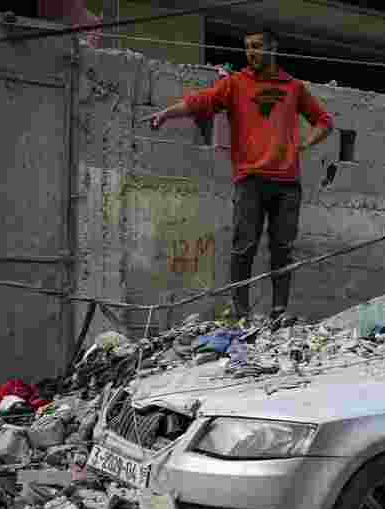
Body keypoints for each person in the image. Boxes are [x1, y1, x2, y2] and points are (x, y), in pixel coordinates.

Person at [142, 30, 333, 322]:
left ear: (272, 48)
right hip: (250, 181)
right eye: (247, 48)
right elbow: (199, 101)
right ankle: (241, 312)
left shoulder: (293, 88)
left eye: (257, 46)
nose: (251, 53)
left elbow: (324, 122)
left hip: (287, 185)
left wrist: (304, 144)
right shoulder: (235, 85)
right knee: (243, 247)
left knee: (282, 250)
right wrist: (166, 114)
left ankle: (279, 312)